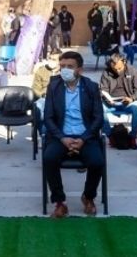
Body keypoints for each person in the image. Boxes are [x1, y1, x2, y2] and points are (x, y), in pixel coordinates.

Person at [42, 51, 104, 218]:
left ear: (80, 70)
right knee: (49, 158)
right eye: (62, 66)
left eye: (70, 66)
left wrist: (83, 139)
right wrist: (62, 138)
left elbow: (98, 118)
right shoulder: (54, 86)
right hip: (61, 136)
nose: (65, 70)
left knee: (97, 161)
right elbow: (48, 117)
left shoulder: (91, 87)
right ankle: (60, 202)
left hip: (86, 136)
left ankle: (88, 197)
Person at [99, 54, 137, 150]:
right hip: (111, 102)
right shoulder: (106, 73)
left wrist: (131, 98)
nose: (118, 71)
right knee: (99, 109)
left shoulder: (133, 71)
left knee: (136, 109)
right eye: (115, 69)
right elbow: (103, 90)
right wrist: (108, 99)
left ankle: (132, 137)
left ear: (124, 62)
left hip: (128, 101)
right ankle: (110, 136)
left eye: (120, 68)